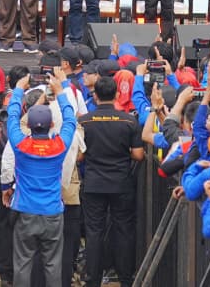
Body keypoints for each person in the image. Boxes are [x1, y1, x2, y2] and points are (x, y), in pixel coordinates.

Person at [5, 69, 77, 287]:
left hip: (26, 211)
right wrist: (61, 90)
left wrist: (19, 89)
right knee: (53, 265)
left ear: (28, 125)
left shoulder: (21, 144)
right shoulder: (59, 146)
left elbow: (12, 116)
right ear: (52, 125)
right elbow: (71, 120)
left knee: (22, 263)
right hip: (52, 212)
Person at [77, 75, 145, 287]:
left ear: (95, 96)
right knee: (123, 230)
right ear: (117, 94)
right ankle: (125, 278)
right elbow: (138, 155)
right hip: (121, 182)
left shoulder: (84, 121)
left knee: (94, 232)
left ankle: (93, 279)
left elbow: (79, 156)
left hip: (94, 183)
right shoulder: (129, 121)